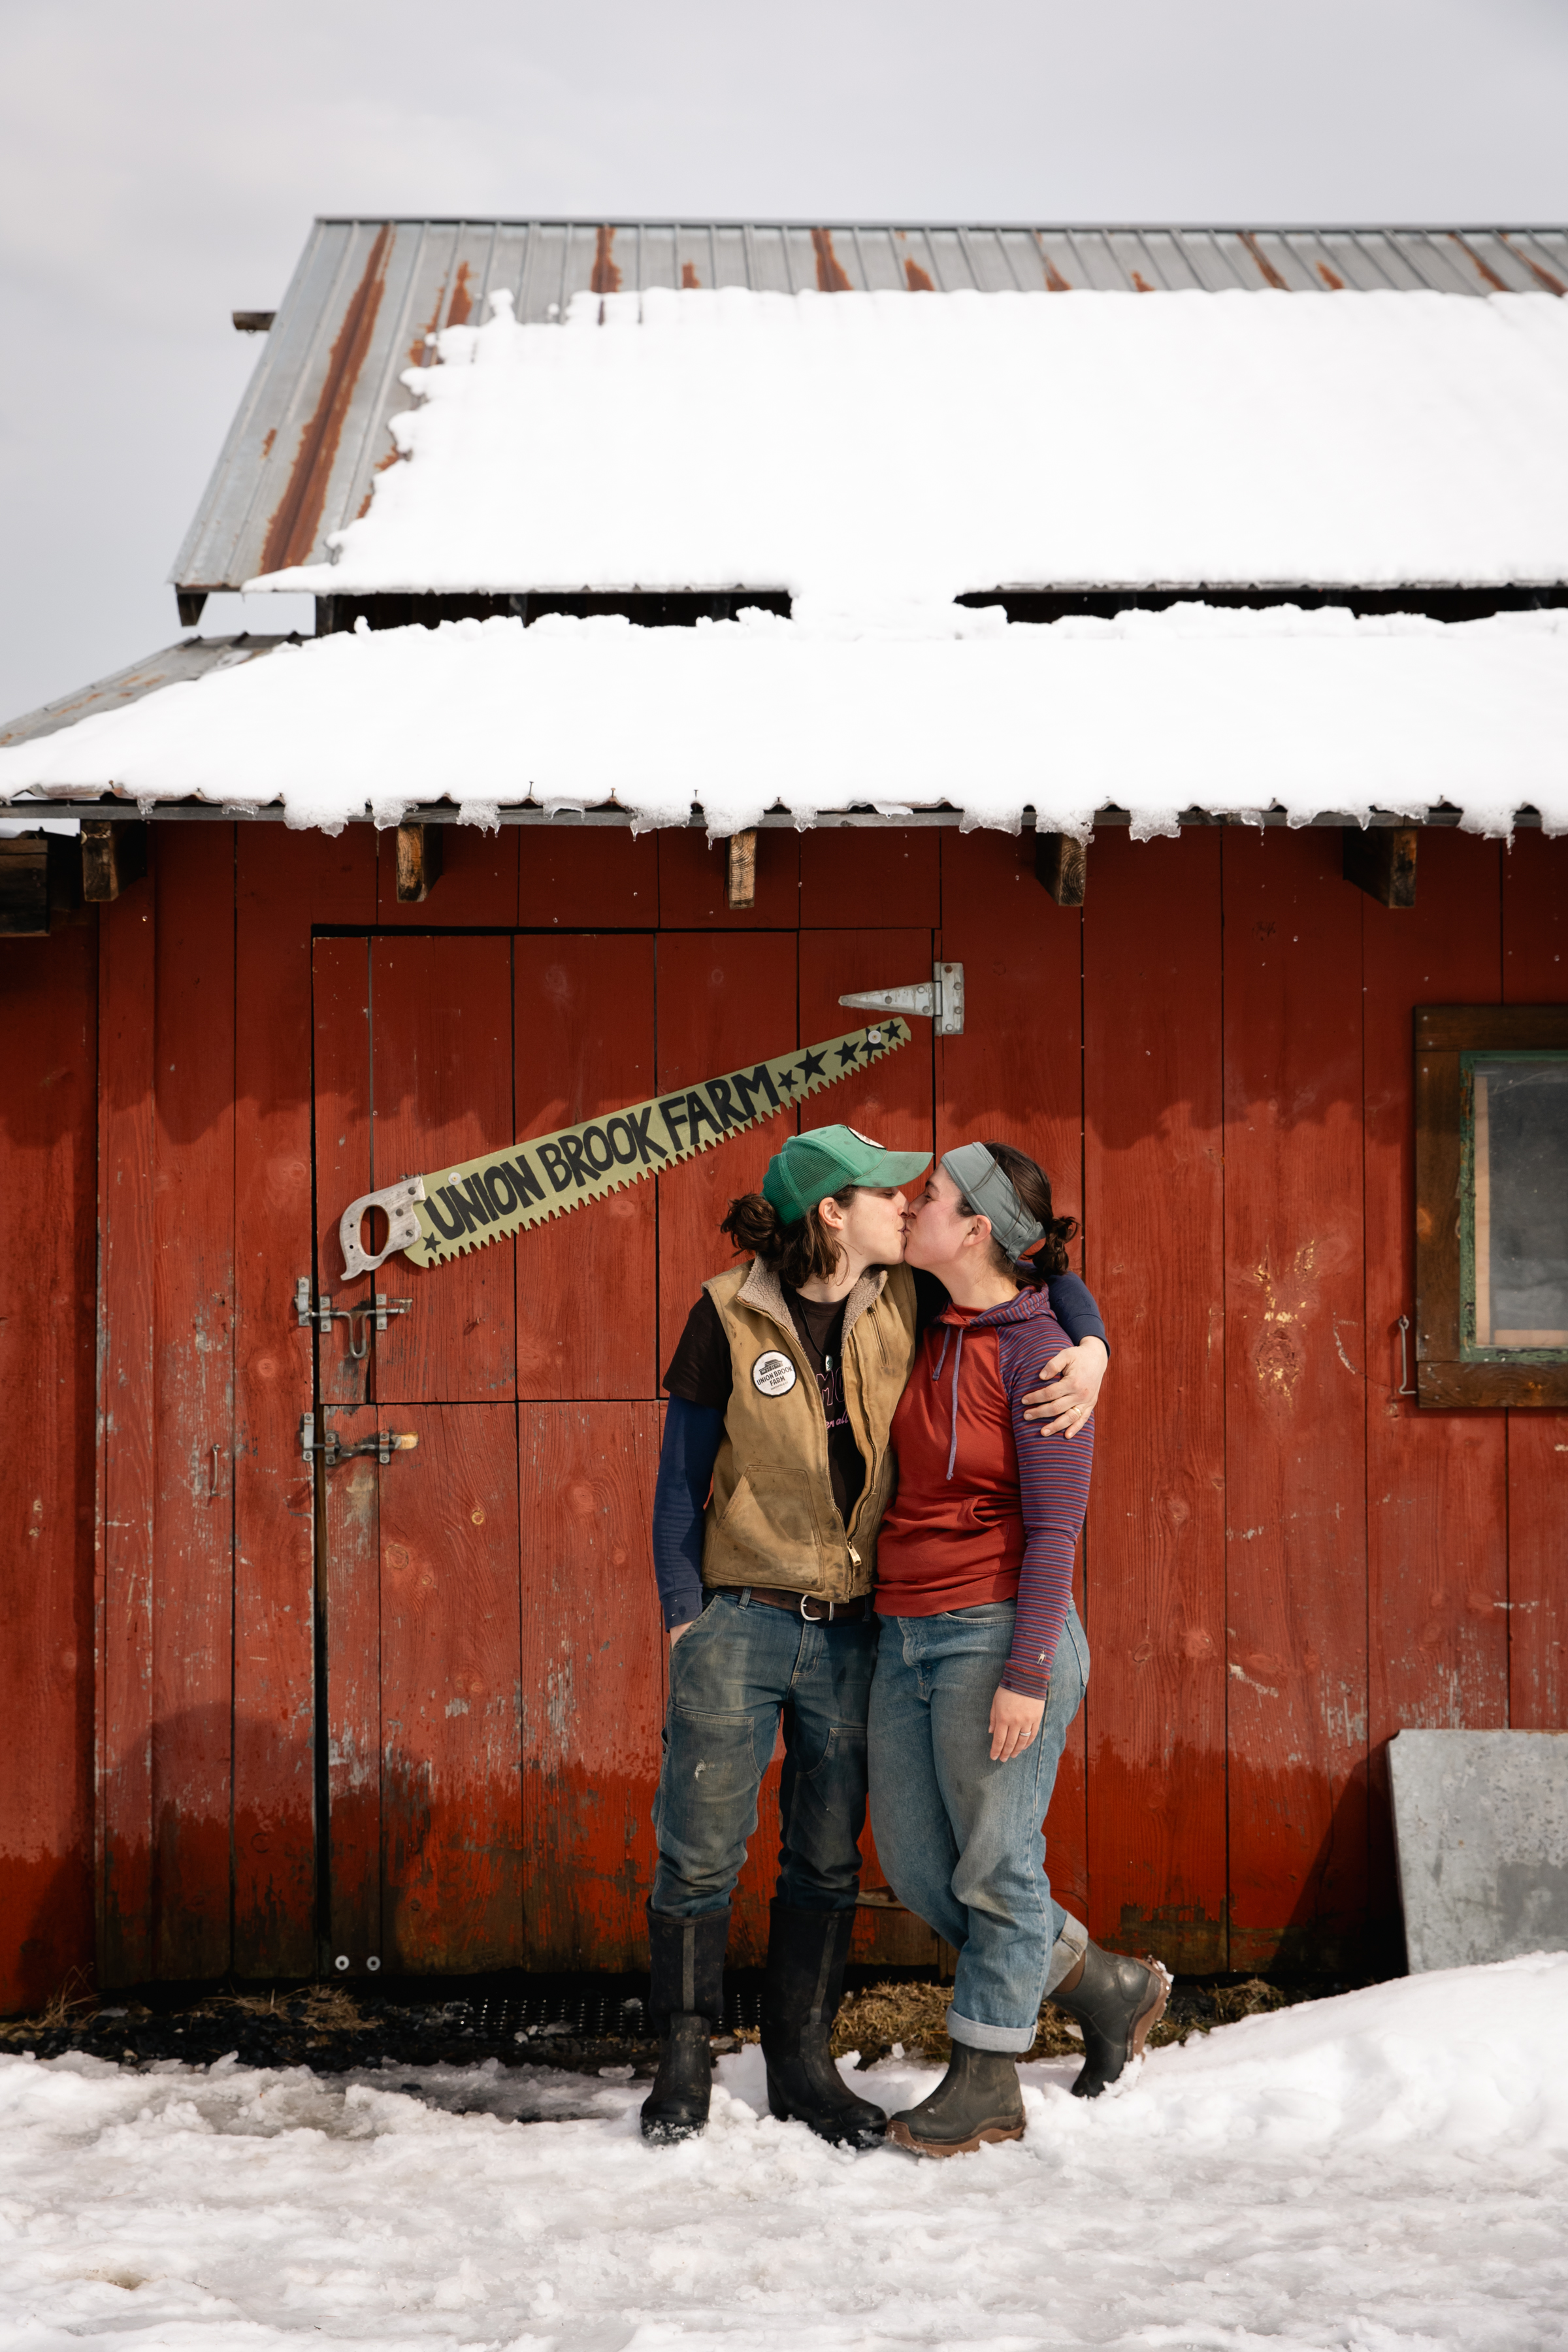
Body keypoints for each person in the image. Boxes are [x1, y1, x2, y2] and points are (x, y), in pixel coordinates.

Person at [640, 1122, 1110, 2147]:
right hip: (745, 1619)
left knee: (826, 1856)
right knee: (701, 1846)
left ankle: (801, 2063)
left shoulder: (910, 1295)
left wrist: (1095, 1345)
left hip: (858, 1628)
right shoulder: (726, 1312)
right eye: (887, 1192)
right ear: (831, 1212)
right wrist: (685, 1614)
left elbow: (1037, 1282)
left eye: (919, 1193)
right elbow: (679, 1479)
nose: (907, 1203)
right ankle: (681, 2062)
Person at [870, 1142, 1168, 2159]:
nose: (914, 1207)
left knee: (998, 1870)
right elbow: (1057, 1271)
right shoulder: (923, 1311)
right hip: (902, 1630)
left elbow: (1055, 1531)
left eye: (934, 1197)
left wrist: (1028, 1673)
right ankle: (1109, 1984)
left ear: (978, 1229)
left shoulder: (1042, 1356)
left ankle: (987, 2084)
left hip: (996, 1632)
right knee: (920, 1870)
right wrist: (1099, 1333)